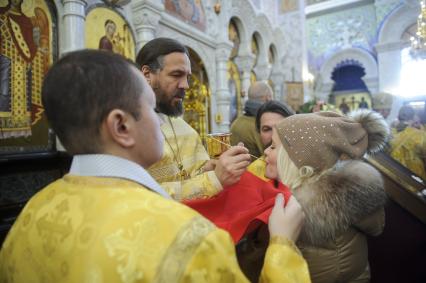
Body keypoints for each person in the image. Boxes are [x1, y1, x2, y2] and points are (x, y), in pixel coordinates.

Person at [0, 49, 310, 283]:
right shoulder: (189, 240)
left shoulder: (29, 216)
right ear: (121, 126)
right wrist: (282, 246)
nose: (161, 120)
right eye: (150, 108)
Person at [264, 110, 389, 283]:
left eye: (273, 146)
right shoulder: (301, 197)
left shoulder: (312, 211)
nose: (265, 151)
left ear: (297, 160)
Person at [136, 37, 251, 201]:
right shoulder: (125, 129)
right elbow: (137, 196)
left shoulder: (180, 125)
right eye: (176, 75)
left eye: (187, 77)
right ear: (147, 74)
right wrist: (213, 180)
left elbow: (187, 173)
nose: (185, 85)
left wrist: (210, 169)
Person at [0, 0, 49, 138]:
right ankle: (3, 129)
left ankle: (20, 130)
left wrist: (38, 49)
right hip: (6, 59)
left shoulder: (26, 20)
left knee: (23, 95)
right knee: (4, 92)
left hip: (24, 62)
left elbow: (32, 43)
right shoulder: (3, 15)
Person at [248, 100, 294, 180]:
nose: (273, 135)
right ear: (259, 133)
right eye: (267, 129)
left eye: (279, 128)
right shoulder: (252, 172)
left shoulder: (304, 170)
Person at [230, 81, 272, 159]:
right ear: (267, 98)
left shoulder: (236, 123)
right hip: (254, 170)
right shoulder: (261, 127)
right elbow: (271, 156)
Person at [390, 105, 426, 180]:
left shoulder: (389, 133)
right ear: (413, 117)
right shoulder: (420, 136)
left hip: (393, 180)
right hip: (416, 183)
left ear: (398, 116)